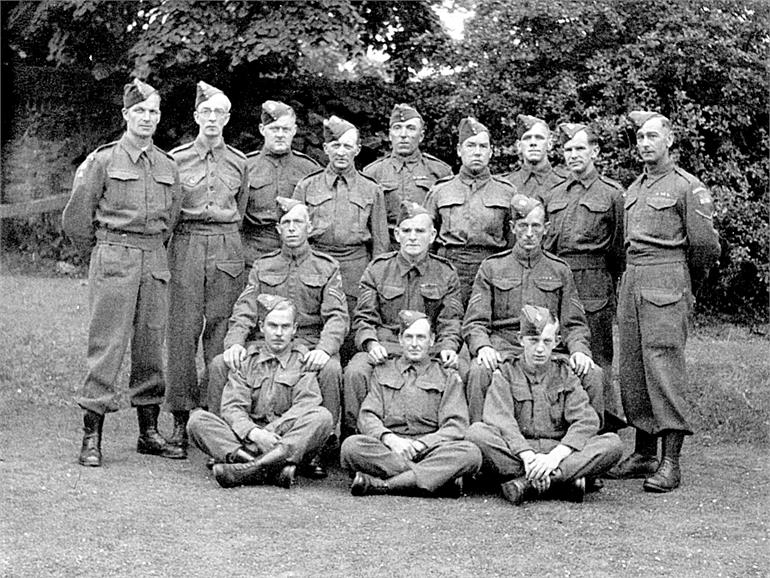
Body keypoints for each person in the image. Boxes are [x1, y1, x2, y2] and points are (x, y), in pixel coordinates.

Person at [62, 78, 181, 467]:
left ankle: (148, 432)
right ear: (126, 114)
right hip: (114, 255)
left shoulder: (168, 165)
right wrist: (103, 252)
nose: (147, 117)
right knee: (107, 345)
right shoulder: (103, 160)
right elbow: (77, 219)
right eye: (140, 111)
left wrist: (150, 248)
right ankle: (91, 435)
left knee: (150, 346)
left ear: (159, 117)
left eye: (153, 111)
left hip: (154, 259)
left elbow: (172, 218)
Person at [610, 111, 720, 493]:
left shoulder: (687, 186)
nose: (644, 143)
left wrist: (686, 283)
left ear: (669, 140)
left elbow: (705, 247)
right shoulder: (633, 188)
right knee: (634, 368)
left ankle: (670, 461)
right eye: (640, 137)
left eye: (652, 136)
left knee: (663, 366)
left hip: (667, 278)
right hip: (633, 279)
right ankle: (643, 453)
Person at [210, 197, 348, 477]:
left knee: (331, 369)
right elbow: (244, 311)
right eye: (286, 223)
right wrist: (234, 344)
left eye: (298, 222)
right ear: (278, 229)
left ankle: (316, 448)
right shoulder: (263, 266)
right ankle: (226, 443)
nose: (292, 228)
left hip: (309, 342)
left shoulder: (326, 267)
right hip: (267, 340)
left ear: (310, 227)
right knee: (220, 364)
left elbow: (337, 316)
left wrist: (324, 349)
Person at [164, 81, 249, 458]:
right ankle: (180, 419)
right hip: (187, 243)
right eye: (206, 112)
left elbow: (240, 209)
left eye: (219, 113)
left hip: (227, 245)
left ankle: (215, 416)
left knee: (221, 332)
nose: (212, 119)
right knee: (182, 333)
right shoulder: (176, 159)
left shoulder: (239, 162)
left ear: (227, 118)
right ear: (196, 116)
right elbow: (170, 210)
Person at [466, 305, 623, 505]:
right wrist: (527, 455)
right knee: (477, 433)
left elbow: (586, 420)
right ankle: (561, 480)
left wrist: (554, 458)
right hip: (519, 450)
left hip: (557, 448)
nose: (540, 349)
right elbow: (501, 420)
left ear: (556, 342)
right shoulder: (506, 372)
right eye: (533, 340)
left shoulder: (565, 373)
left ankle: (527, 482)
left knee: (612, 444)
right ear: (520, 339)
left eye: (547, 341)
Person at [462, 194, 595, 424]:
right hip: (505, 347)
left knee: (592, 373)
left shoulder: (559, 270)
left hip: (548, 348)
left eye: (536, 226)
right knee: (478, 371)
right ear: (513, 227)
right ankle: (479, 435)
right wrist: (483, 346)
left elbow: (574, 324)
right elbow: (475, 322)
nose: (529, 233)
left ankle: (586, 439)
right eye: (523, 226)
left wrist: (579, 350)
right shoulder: (492, 267)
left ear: (546, 229)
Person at [343, 201, 464, 437]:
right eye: (407, 230)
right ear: (397, 235)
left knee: (463, 369)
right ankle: (359, 436)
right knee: (356, 370)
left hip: (429, 349)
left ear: (432, 236)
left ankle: (449, 437)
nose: (413, 237)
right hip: (388, 347)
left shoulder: (445, 272)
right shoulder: (378, 269)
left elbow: (450, 320)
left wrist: (449, 347)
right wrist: (371, 344)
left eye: (420, 231)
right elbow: (364, 318)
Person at [187, 295, 334, 489]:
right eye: (273, 326)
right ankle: (272, 469)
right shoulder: (247, 360)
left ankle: (247, 468)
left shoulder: (302, 361)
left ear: (294, 329)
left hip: (284, 440)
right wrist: (254, 434)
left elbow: (305, 404)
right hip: (247, 438)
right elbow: (233, 407)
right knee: (197, 420)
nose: (279, 333)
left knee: (322, 417)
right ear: (262, 327)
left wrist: (269, 433)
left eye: (285, 327)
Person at [340, 310, 481, 497]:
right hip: (392, 448)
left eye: (421, 337)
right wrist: (390, 439)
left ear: (432, 340)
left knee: (471, 453)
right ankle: (438, 480)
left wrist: (422, 444)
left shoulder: (446, 374)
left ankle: (384, 485)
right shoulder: (383, 370)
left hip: (432, 448)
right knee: (351, 447)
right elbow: (368, 416)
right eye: (409, 337)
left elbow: (455, 424)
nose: (414, 344)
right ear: (400, 339)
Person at [542, 122, 626, 431]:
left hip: (593, 282)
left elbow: (620, 249)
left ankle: (604, 426)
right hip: (556, 278)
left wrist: (604, 279)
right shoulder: (553, 194)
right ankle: (561, 422)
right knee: (555, 349)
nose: (573, 154)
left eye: (580, 148)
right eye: (568, 149)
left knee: (596, 355)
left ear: (595, 151)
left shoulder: (612, 193)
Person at [292, 115, 389, 325]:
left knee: (354, 325)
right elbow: (294, 232)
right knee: (312, 324)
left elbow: (381, 242)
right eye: (336, 145)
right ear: (326, 148)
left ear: (357, 149)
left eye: (347, 146)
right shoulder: (307, 186)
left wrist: (376, 278)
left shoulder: (371, 189)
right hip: (315, 263)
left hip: (355, 268)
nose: (341, 152)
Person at [424, 117, 516, 305]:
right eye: (471, 145)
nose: (477, 152)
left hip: (492, 269)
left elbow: (513, 239)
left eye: (483, 146)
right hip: (449, 269)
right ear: (459, 150)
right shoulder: (440, 190)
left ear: (491, 152)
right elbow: (426, 236)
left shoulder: (506, 192)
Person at [363, 103, 452, 250]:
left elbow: (446, 222)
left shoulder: (440, 171)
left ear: (421, 136)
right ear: (390, 134)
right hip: (388, 250)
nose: (403, 135)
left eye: (410, 128)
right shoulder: (373, 172)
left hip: (427, 251)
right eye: (397, 128)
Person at [242, 100, 320, 264]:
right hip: (254, 253)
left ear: (294, 131)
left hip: (297, 254)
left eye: (285, 129)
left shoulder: (309, 168)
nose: (280, 134)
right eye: (274, 129)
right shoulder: (246, 166)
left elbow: (317, 215)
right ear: (262, 129)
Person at [503, 114, 568, 200]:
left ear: (549, 144)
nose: (533, 143)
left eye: (539, 138)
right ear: (519, 146)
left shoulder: (566, 183)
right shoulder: (505, 185)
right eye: (527, 138)